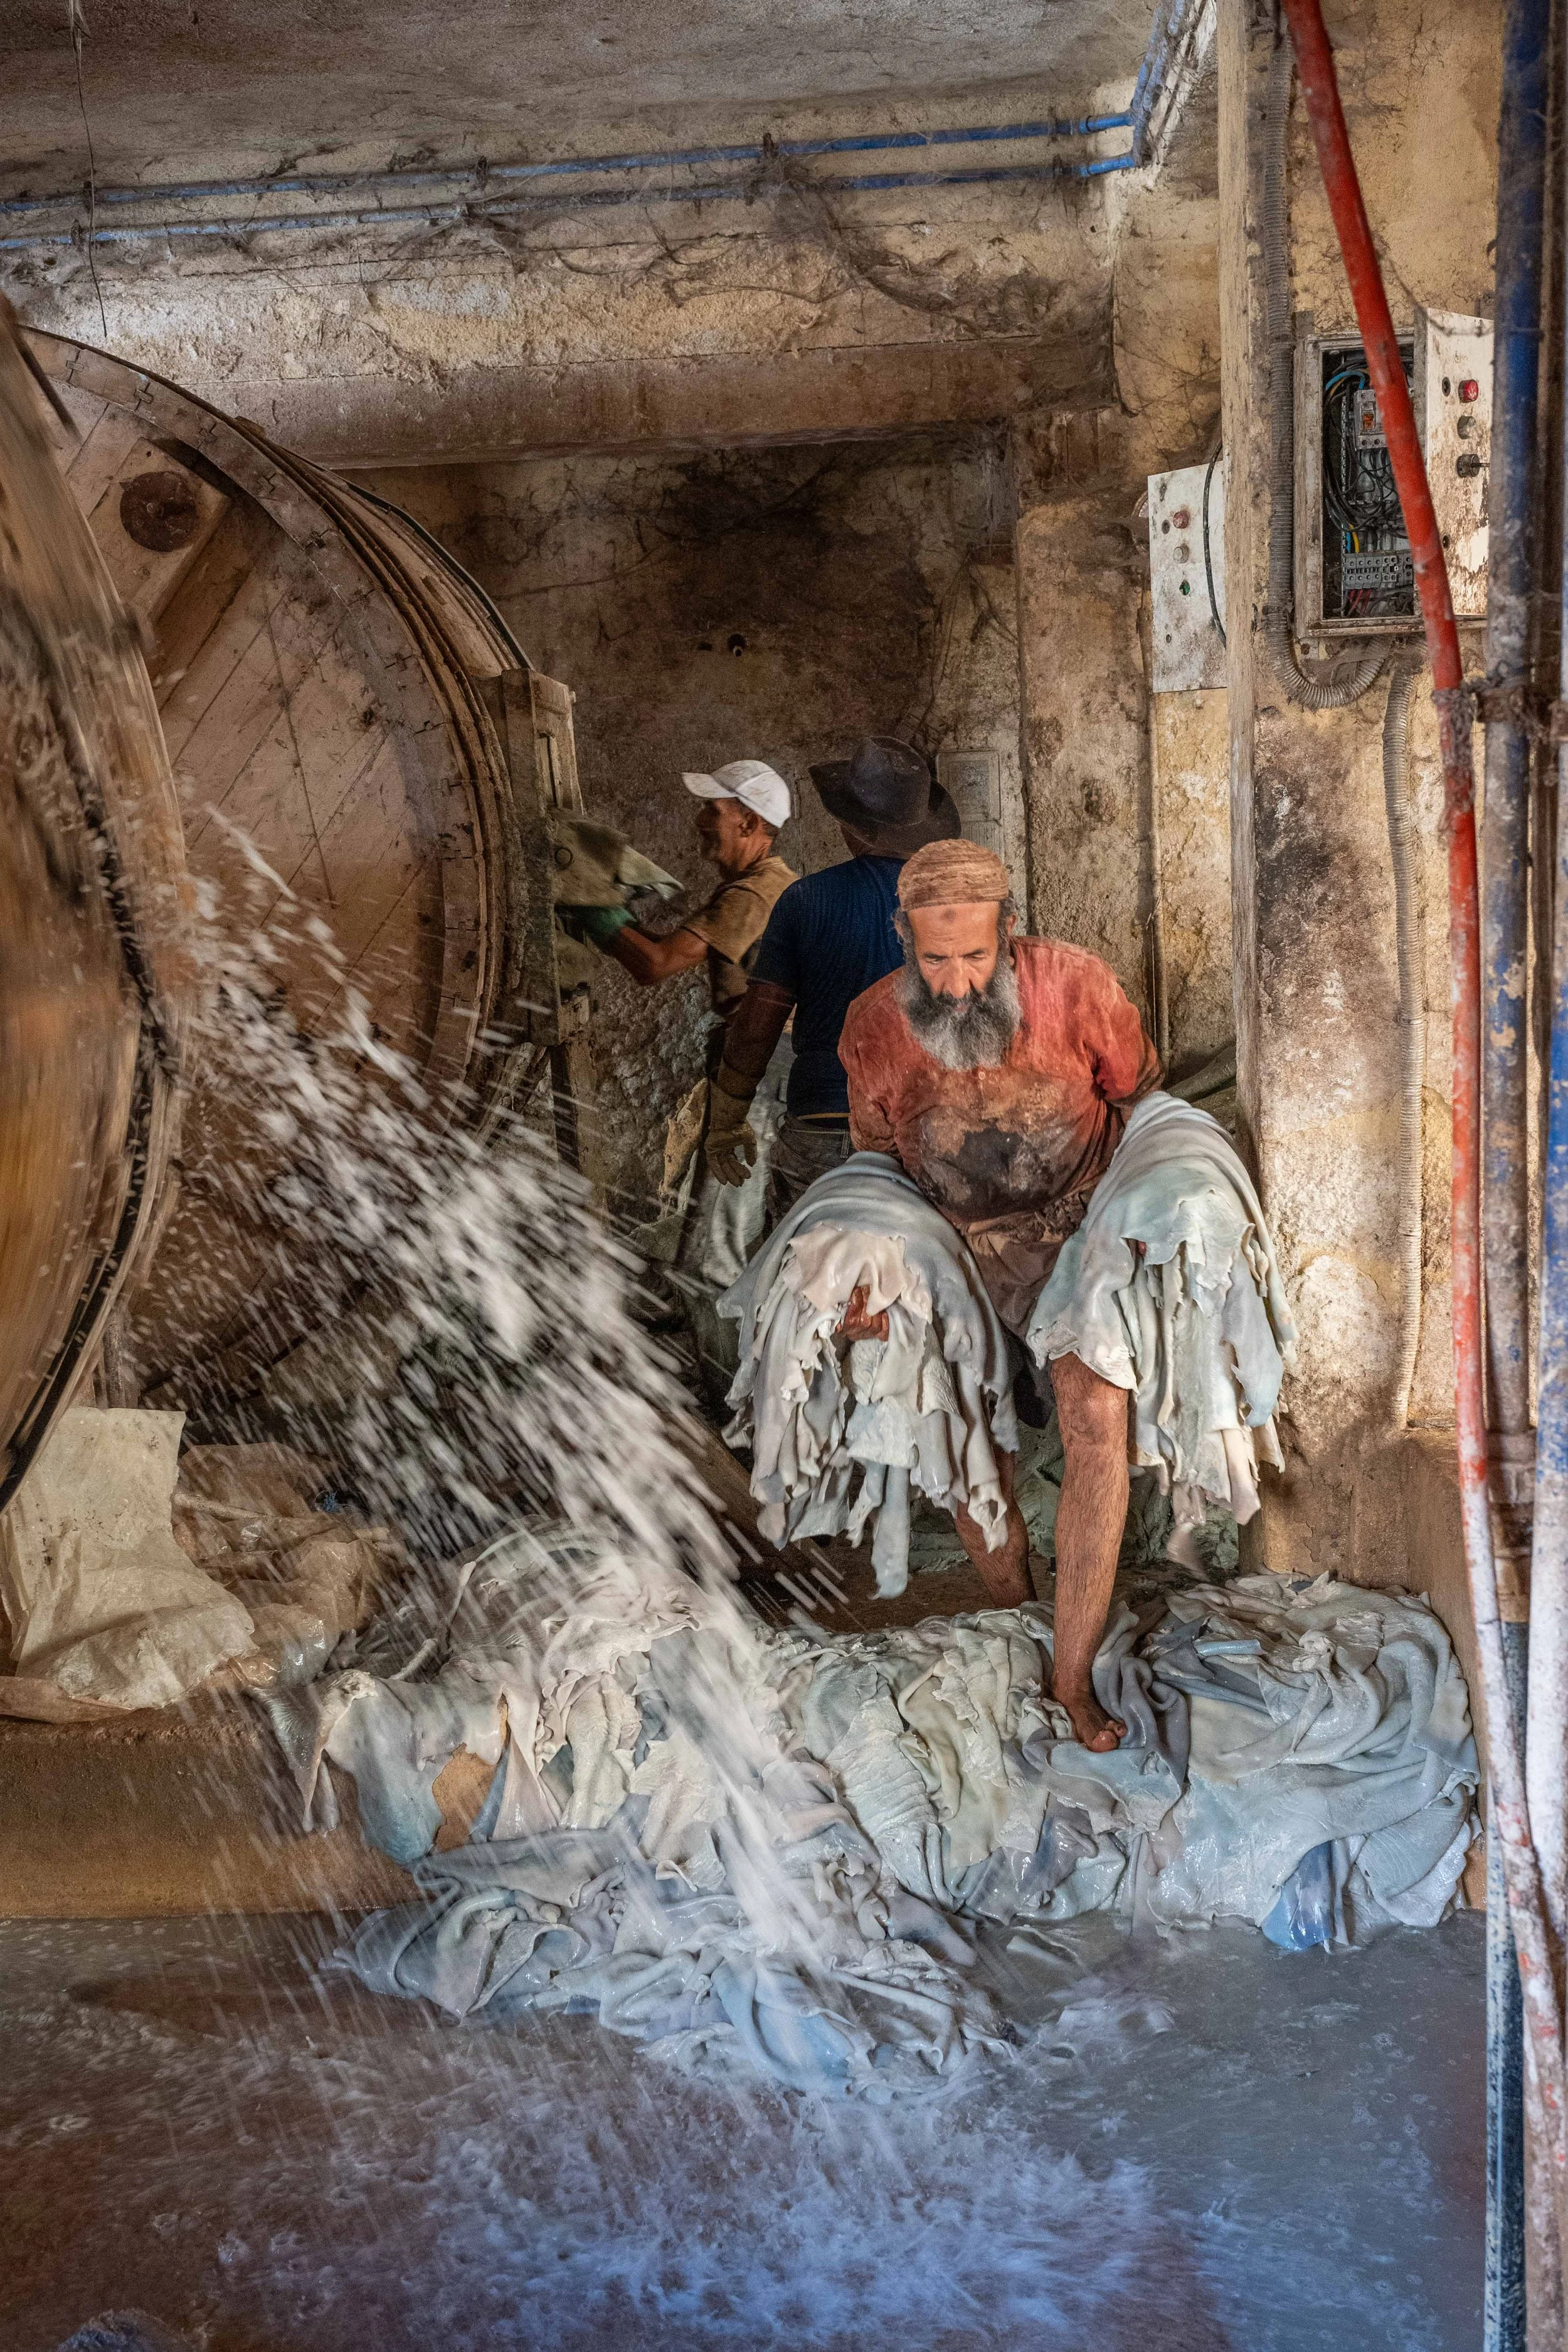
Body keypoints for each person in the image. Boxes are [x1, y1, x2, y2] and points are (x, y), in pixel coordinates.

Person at [836, 838, 1163, 1755]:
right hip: (953, 1246)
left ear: (1010, 932)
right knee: (964, 1442)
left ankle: (1072, 1674)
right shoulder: (871, 1026)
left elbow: (1142, 1101)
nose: (955, 984)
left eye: (975, 955)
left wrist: (1145, 1214)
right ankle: (1020, 1619)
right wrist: (870, 1269)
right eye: (934, 959)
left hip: (1076, 1230)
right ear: (903, 939)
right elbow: (871, 1164)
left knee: (1096, 1412)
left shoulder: (1078, 986)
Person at [705, 736, 961, 1216]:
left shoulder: (806, 900)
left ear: (850, 825)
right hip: (930, 1129)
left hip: (824, 1126)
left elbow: (757, 1027)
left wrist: (726, 1121)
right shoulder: (961, 910)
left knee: (808, 1259)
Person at [583, 759, 798, 1067]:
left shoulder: (755, 895)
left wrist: (593, 908)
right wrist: (620, 917)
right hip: (769, 1050)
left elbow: (656, 964)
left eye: (713, 810)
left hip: (771, 1054)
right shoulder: (767, 883)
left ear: (749, 824)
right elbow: (669, 949)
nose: (700, 820)